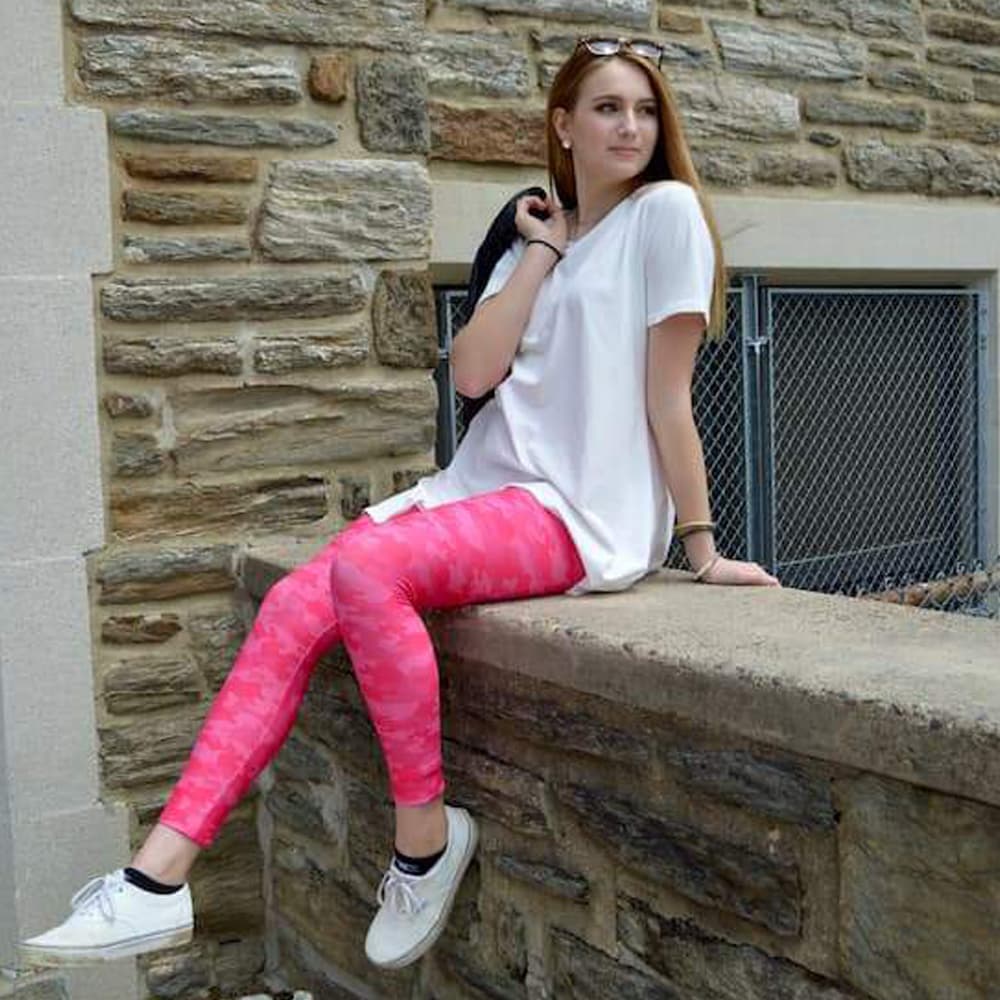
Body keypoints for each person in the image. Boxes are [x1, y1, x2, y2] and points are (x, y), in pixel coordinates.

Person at [18, 35, 779, 975]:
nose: (632, 126)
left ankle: (423, 840)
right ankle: (155, 881)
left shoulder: (668, 215)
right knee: (300, 600)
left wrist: (700, 545)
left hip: (578, 511)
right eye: (609, 108)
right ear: (563, 125)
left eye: (646, 109)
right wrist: (541, 253)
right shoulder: (536, 235)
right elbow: (471, 372)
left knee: (366, 568)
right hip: (486, 490)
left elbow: (670, 399)